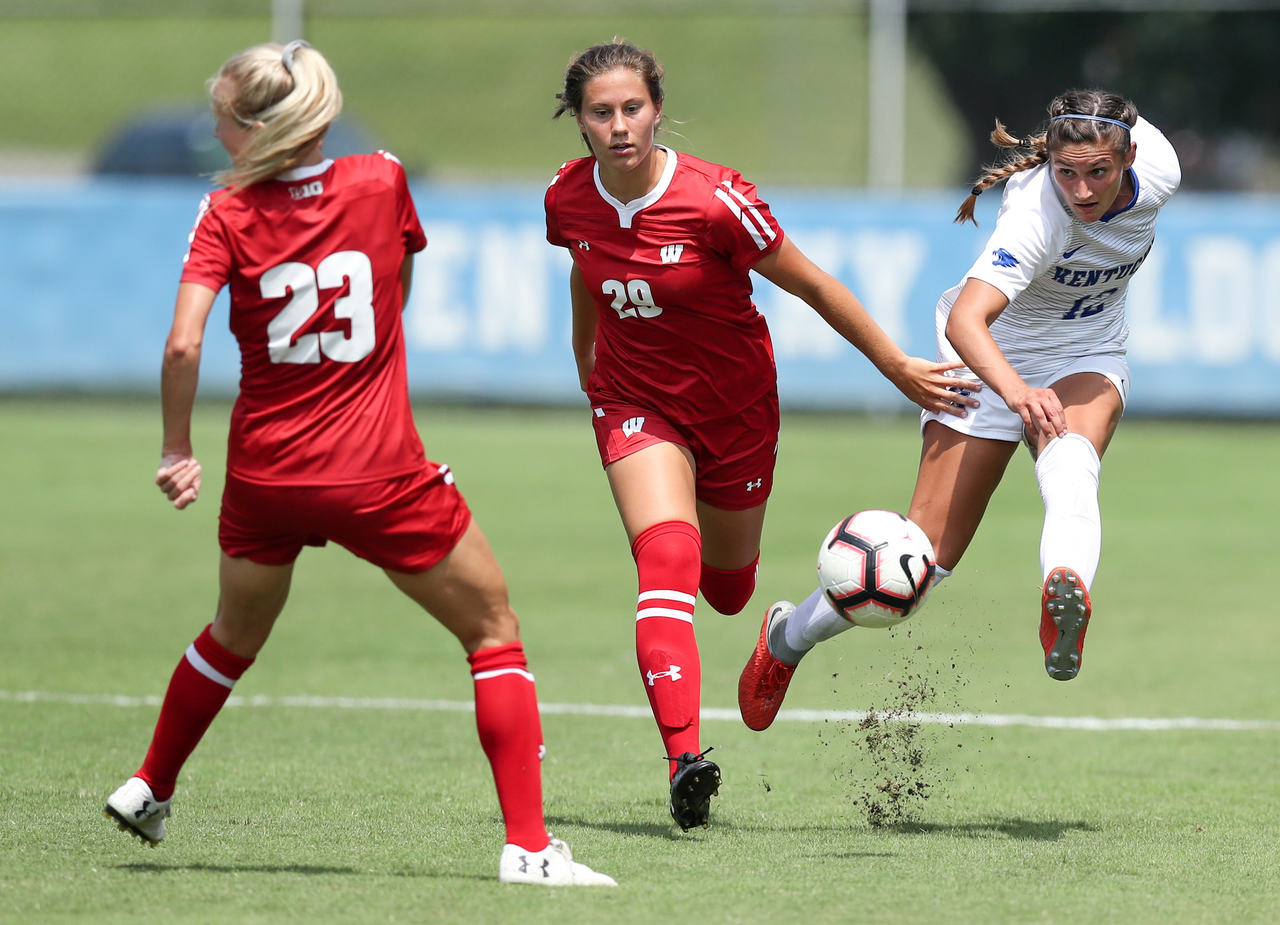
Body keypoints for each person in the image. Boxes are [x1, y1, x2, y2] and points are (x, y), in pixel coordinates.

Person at [101, 41, 614, 888]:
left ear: (258, 128)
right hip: (376, 472)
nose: (216, 130)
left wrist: (176, 448)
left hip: (264, 478)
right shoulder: (379, 177)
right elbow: (398, 278)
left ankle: (149, 784)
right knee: (492, 629)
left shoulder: (224, 212)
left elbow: (183, 341)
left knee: (233, 633)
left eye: (222, 117)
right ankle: (529, 848)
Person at [544, 39, 978, 829]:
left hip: (737, 412)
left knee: (726, 587)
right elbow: (583, 262)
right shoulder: (566, 197)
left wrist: (897, 368)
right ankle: (685, 760)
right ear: (577, 120)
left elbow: (812, 282)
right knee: (666, 559)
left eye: (631, 108)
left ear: (657, 109)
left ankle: (777, 631)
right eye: (600, 112)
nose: (618, 126)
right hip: (635, 403)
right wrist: (587, 353)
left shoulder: (716, 200)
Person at [738, 89, 1181, 730]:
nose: (1082, 190)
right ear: (1048, 162)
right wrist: (1017, 392)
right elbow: (971, 321)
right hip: (986, 358)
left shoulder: (1161, 164)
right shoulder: (1036, 214)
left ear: (1131, 156)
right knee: (918, 566)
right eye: (1067, 172)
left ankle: (1065, 590)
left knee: (1072, 464)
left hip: (1087, 348)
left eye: (1098, 173)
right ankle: (787, 639)